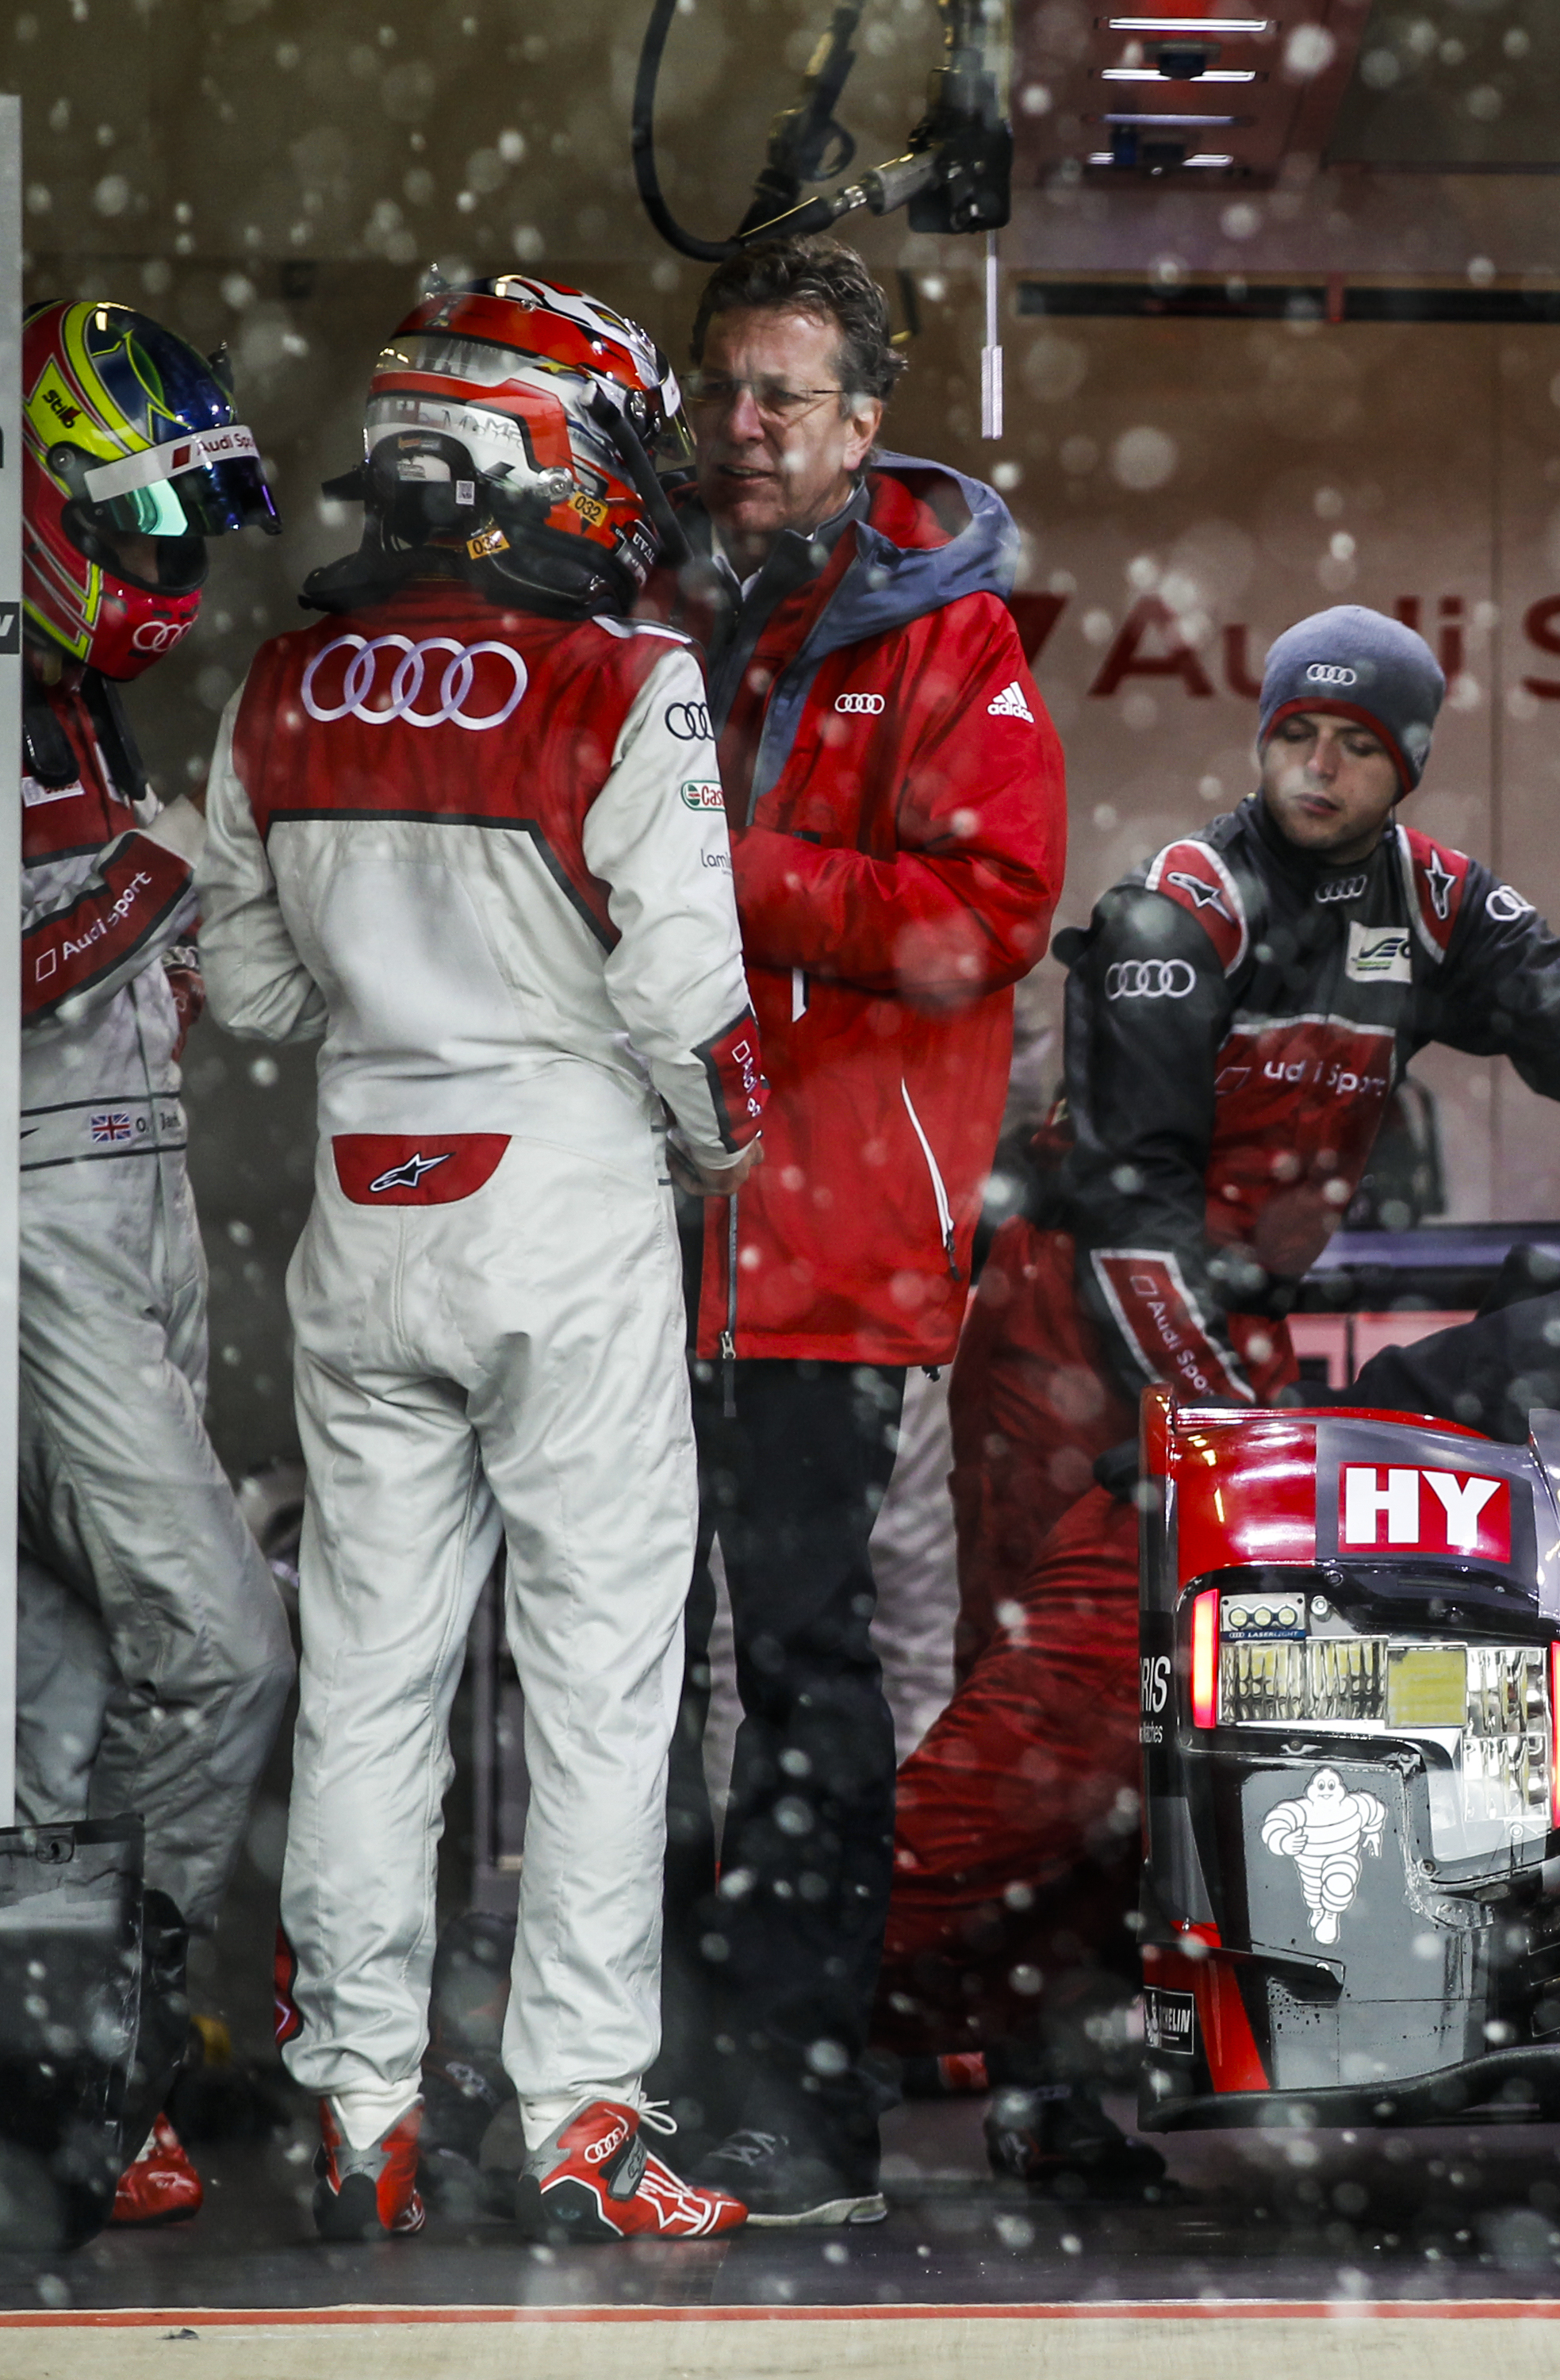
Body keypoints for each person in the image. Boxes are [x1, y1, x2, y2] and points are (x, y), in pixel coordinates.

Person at [877, 605, 1560, 2192]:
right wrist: (1221, 1438)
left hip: (1224, 1341)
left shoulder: (1431, 906)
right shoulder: (1178, 915)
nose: (1320, 768)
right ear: (1263, 736)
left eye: (1358, 747)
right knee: (1061, 1734)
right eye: (1299, 734)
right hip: (1069, 1343)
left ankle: (1065, 2086)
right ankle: (826, 2014)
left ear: (1407, 767)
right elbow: (1135, 1218)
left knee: (1185, 1727)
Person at [198, 275, 761, 2244]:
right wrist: (727, 1151)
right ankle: (581, 2118)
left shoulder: (289, 680)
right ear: (542, 452)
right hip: (571, 1203)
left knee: (368, 1676)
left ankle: (357, 2107)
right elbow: (693, 1008)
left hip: (369, 1202)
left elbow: (250, 985)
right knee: (598, 1681)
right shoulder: (630, 675)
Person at [646, 233, 1065, 2226]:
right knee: (635, 1661)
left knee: (798, 1671)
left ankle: (793, 2116)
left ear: (866, 420)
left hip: (824, 1241)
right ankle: (623, 2079)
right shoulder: (665, 601)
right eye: (720, 389)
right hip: (633, 1228)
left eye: (780, 397)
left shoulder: (949, 639)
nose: (739, 427)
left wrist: (721, 880)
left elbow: (984, 910)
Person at [13, 296, 294, 2228]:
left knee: (66, 1670)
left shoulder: (69, 692)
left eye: (184, 537)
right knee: (227, 1641)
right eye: (138, 531)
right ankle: (111, 2013)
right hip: (38, 1220)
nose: (166, 574)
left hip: (134, 1193)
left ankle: (65, 2074)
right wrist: (166, 876)